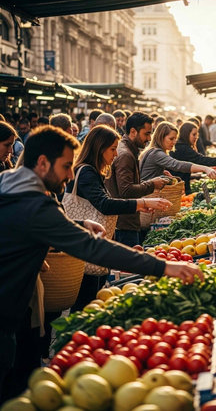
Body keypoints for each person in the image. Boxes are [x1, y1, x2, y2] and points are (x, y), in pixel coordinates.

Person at [0, 125, 203, 397]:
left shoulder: (8, 186)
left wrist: (78, 222)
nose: (71, 174)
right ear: (42, 163)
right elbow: (93, 249)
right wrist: (163, 267)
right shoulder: (35, 204)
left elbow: (31, 226)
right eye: (66, 166)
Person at [65, 124, 171, 309]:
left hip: (91, 248)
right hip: (85, 250)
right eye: (112, 149)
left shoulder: (93, 171)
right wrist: (143, 203)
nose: (115, 155)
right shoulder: (86, 172)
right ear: (99, 148)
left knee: (91, 299)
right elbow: (105, 205)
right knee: (85, 303)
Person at [106, 113, 169, 247]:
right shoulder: (125, 155)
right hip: (124, 224)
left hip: (124, 219)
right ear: (133, 131)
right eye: (146, 134)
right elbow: (126, 190)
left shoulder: (127, 150)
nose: (149, 138)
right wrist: (152, 184)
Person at [140, 121, 216, 185]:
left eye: (175, 138)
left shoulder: (151, 150)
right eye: (171, 139)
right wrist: (205, 168)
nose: (174, 142)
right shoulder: (157, 153)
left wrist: (161, 173)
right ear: (161, 137)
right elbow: (177, 165)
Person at [171, 121, 216, 194]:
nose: (196, 137)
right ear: (186, 134)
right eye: (194, 134)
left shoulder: (181, 145)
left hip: (181, 183)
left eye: (197, 134)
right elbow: (200, 159)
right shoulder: (182, 147)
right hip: (178, 187)